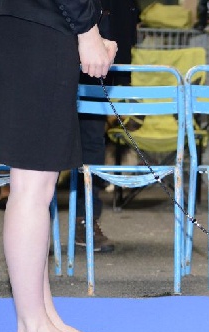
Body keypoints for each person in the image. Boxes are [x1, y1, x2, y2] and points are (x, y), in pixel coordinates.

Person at [0, 0, 119, 332]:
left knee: (39, 185)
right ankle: (32, 330)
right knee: (32, 188)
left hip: (25, 21)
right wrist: (88, 30)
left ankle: (44, 319)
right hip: (33, 23)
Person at [75, 0, 139, 253]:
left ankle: (86, 221)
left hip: (102, 52)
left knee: (92, 141)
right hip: (54, 44)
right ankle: (38, 222)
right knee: (47, 145)